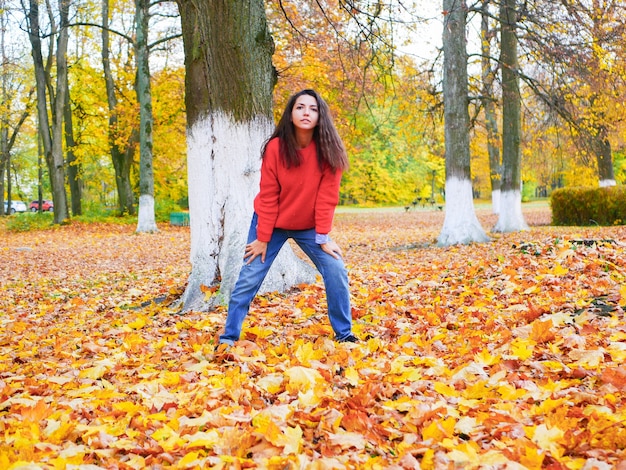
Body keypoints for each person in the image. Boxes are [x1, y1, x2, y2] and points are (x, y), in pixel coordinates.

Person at [217, 89, 357, 352]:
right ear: (290, 113)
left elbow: (328, 198)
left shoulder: (329, 150)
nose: (306, 113)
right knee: (249, 276)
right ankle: (228, 338)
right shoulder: (276, 147)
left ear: (320, 116)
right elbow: (269, 194)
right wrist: (262, 239)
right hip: (271, 223)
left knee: (336, 269)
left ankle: (345, 335)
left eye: (313, 109)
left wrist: (323, 237)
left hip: (309, 226)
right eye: (300, 107)